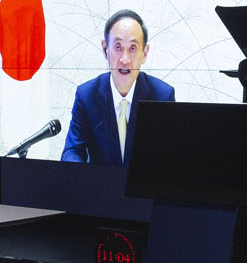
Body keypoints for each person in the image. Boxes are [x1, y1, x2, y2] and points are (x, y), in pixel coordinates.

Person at [61, 9, 175, 164]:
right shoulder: (86, 95)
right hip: (99, 186)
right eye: (118, 47)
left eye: (133, 48)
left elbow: (170, 155)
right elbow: (72, 151)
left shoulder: (162, 96)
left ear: (145, 53)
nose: (125, 59)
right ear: (105, 49)